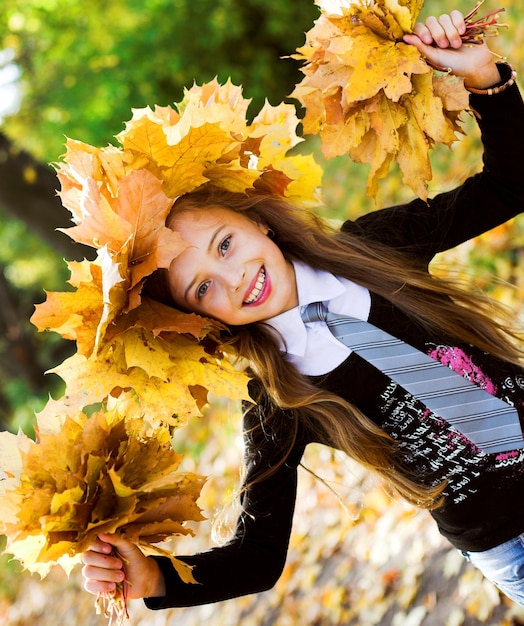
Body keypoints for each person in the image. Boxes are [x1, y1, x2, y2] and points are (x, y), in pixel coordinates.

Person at [82, 10, 524, 609]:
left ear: (256, 219)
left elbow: (510, 185)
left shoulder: (374, 247)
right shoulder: (279, 400)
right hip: (511, 543)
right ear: (199, 320)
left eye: (226, 244)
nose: (234, 278)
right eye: (203, 290)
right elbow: (257, 558)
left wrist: (485, 79)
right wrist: (157, 578)